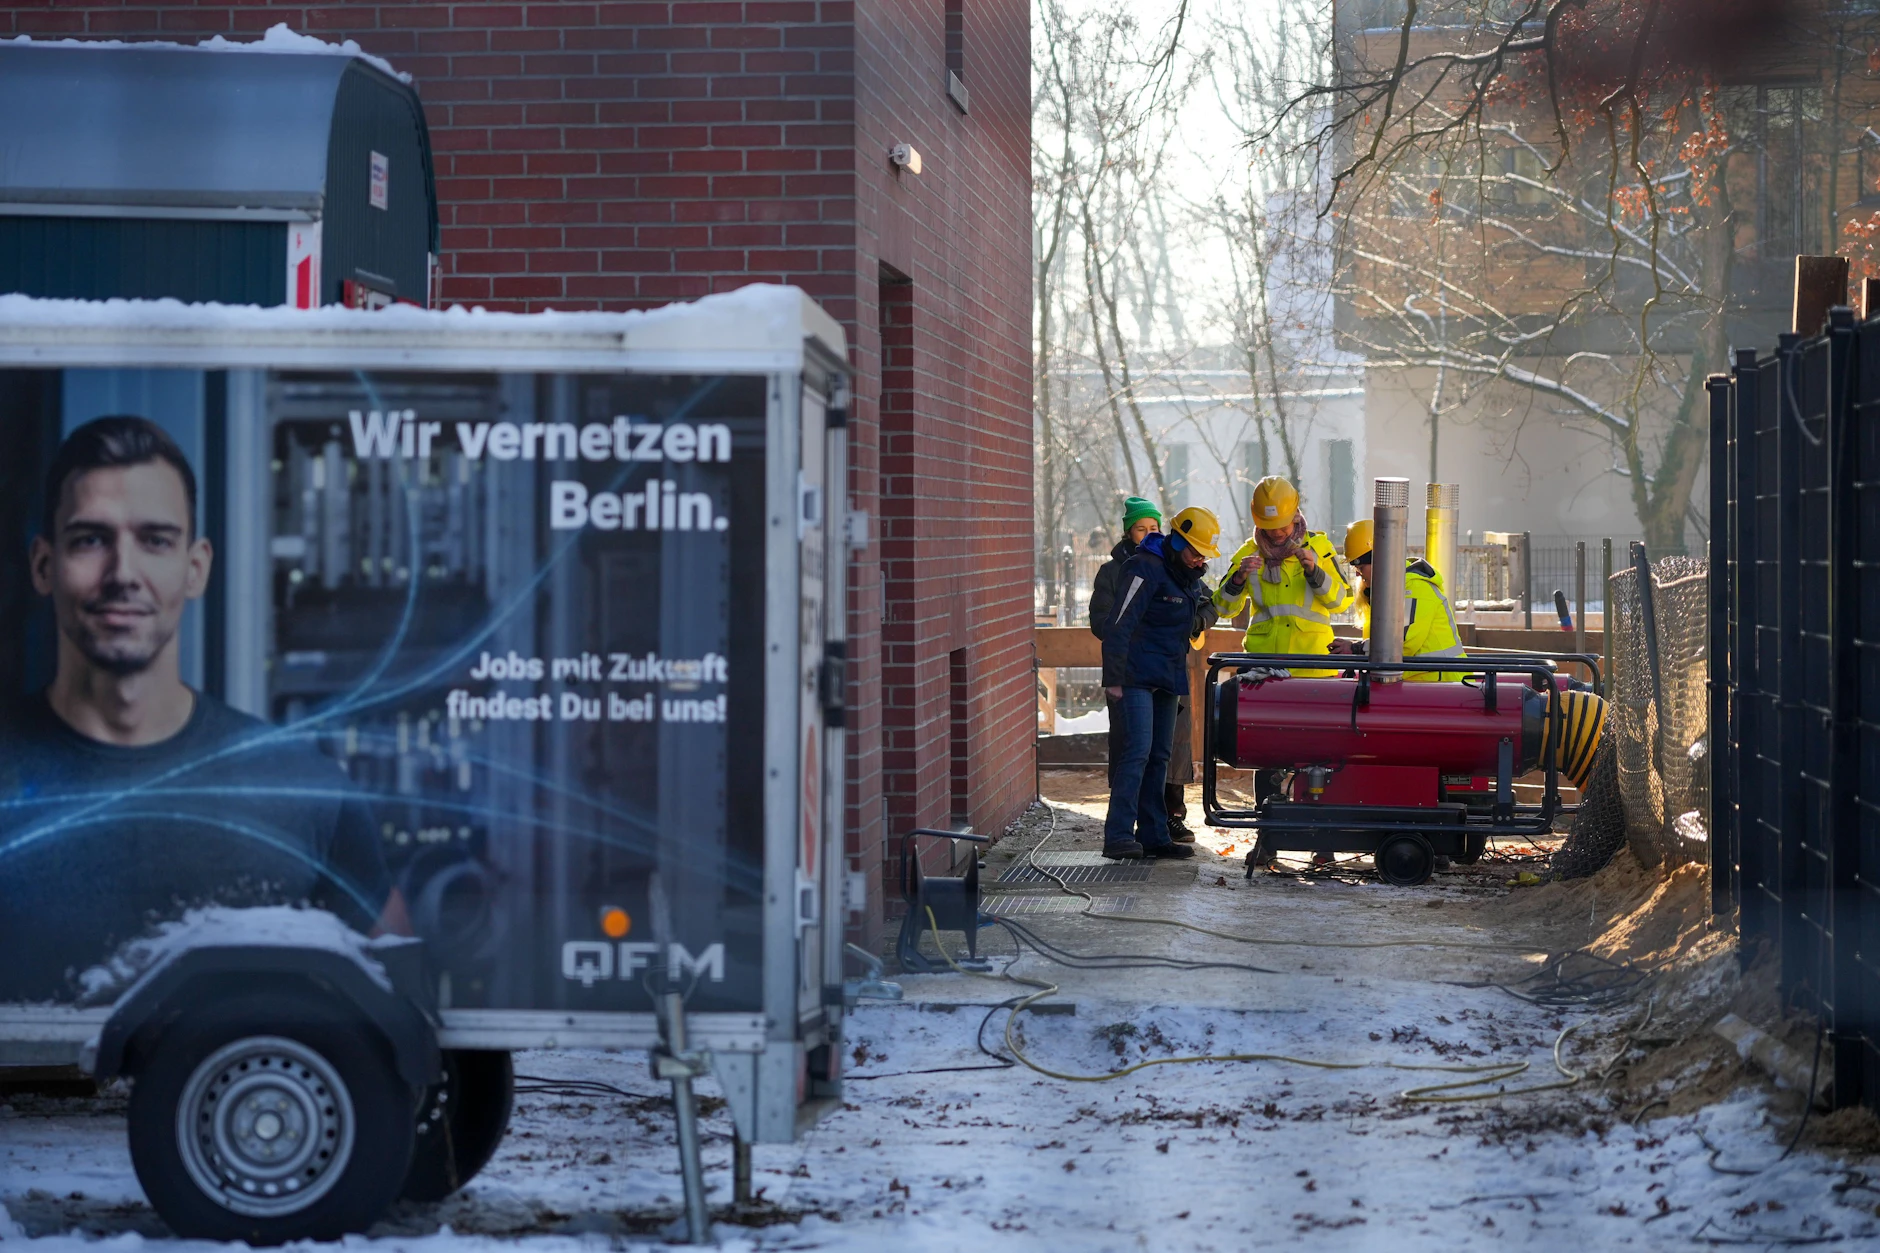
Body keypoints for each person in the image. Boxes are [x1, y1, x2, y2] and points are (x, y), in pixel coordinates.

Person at [0, 416, 407, 1002]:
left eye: (156, 541)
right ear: (44, 565)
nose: (124, 575)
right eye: (91, 539)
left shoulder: (305, 793)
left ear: (195, 568)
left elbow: (403, 1032)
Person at [1098, 506, 1222, 861]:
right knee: (1136, 752)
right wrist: (1115, 680)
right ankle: (1118, 835)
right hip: (1134, 677)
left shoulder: (1185, 575)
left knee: (1159, 757)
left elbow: (1207, 610)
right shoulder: (1144, 567)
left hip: (1168, 676)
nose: (1200, 561)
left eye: (1204, 555)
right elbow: (1118, 624)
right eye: (1196, 552)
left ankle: (1154, 835)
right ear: (1178, 540)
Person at [1213, 476, 1352, 677]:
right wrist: (1237, 579)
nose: (1277, 532)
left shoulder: (1319, 549)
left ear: (1295, 515)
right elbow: (1222, 609)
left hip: (1311, 667)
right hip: (1262, 668)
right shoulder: (1248, 553)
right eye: (1270, 527)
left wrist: (1315, 573)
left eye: (1282, 525)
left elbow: (1343, 602)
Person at [1328, 519, 1468, 681]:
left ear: (1380, 560)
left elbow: (1404, 643)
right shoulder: (1389, 593)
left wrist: (1356, 648)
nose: (1358, 574)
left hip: (1447, 687)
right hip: (1427, 685)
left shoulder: (1415, 588)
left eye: (1360, 568)